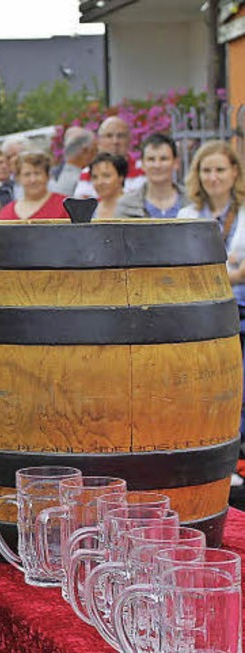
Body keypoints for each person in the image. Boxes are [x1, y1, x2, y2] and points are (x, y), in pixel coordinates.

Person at [179, 140, 245, 487]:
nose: (214, 177)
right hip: (202, 318)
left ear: (235, 172)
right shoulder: (187, 216)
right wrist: (231, 269)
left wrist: (218, 270)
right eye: (207, 170)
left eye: (220, 169)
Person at [117, 133, 188, 218]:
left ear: (176, 163)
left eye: (163, 159)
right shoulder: (126, 206)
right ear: (142, 164)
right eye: (151, 159)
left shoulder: (193, 202)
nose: (157, 165)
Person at [73, 116, 145, 198]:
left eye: (120, 136)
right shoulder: (87, 173)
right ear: (99, 141)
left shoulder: (144, 170)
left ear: (129, 140)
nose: (115, 141)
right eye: (109, 136)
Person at [0, 151, 70, 220]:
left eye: (37, 173)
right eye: (27, 174)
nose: (33, 180)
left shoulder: (65, 206)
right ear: (18, 178)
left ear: (48, 176)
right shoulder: (6, 213)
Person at [50, 127, 96, 196]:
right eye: (94, 151)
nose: (96, 156)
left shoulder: (51, 175)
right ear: (85, 151)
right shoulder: (83, 181)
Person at [91, 152, 128, 220]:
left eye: (106, 176)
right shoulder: (91, 212)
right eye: (95, 177)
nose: (100, 182)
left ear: (121, 177)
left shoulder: (134, 207)